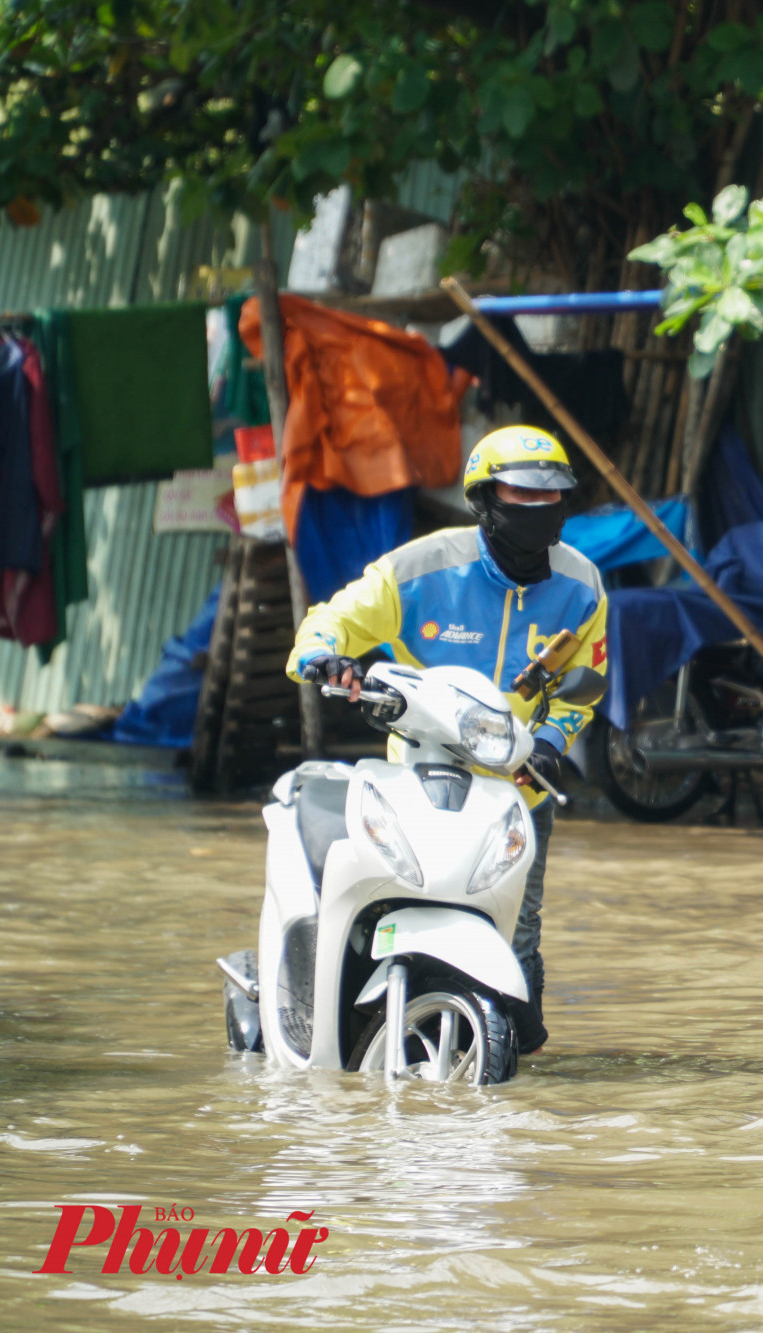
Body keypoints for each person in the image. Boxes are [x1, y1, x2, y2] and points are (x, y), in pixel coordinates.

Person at [285, 425, 608, 1058]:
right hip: (419, 784)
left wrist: (549, 739)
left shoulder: (583, 586)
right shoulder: (422, 569)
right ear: (484, 500)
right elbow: (333, 620)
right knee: (370, 909)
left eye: (554, 498)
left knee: (520, 941)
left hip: (519, 793)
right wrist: (324, 659)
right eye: (523, 496)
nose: (540, 511)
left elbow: (584, 689)